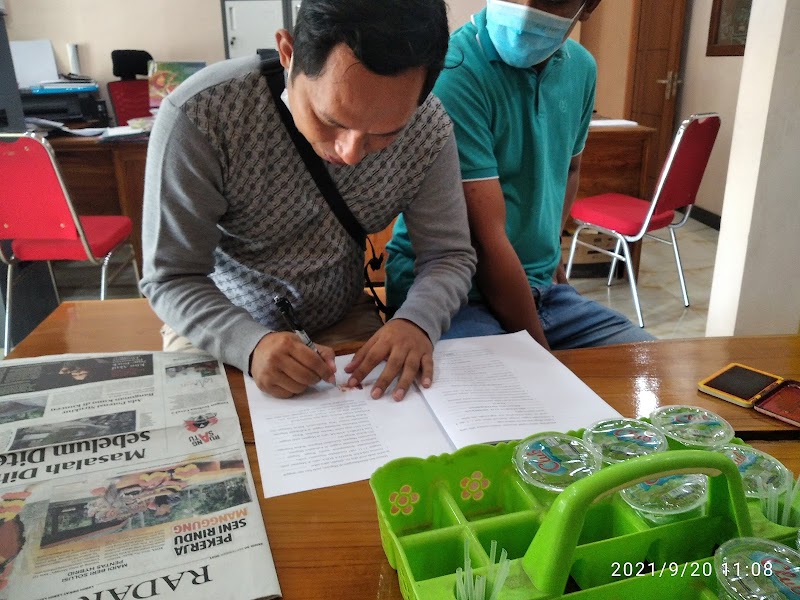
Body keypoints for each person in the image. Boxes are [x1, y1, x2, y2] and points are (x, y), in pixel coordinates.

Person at [140, 0, 476, 400]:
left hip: (342, 316)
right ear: (288, 53)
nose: (351, 153)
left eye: (385, 133)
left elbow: (448, 255)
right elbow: (171, 277)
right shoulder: (204, 115)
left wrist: (418, 321)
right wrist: (249, 344)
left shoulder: (428, 129)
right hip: (218, 320)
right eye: (330, 120)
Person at [386, 0, 654, 350]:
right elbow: (484, 241)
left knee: (649, 369)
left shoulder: (581, 68)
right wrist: (540, 355)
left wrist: (550, 251)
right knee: (519, 396)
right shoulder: (453, 70)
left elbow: (570, 167)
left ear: (589, 6)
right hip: (455, 293)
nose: (525, 8)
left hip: (540, 289)